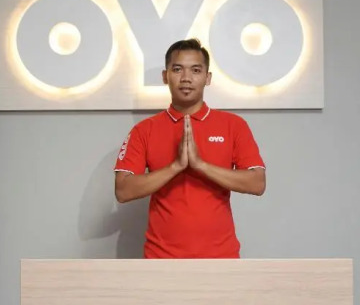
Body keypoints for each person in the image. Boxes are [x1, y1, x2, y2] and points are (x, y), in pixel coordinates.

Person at [113, 38, 266, 259]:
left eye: (195, 70)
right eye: (177, 69)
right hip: (161, 259)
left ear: (207, 78)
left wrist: (200, 165)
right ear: (165, 76)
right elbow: (123, 190)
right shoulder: (144, 130)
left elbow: (257, 183)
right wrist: (175, 166)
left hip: (221, 258)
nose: (186, 78)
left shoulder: (234, 125)